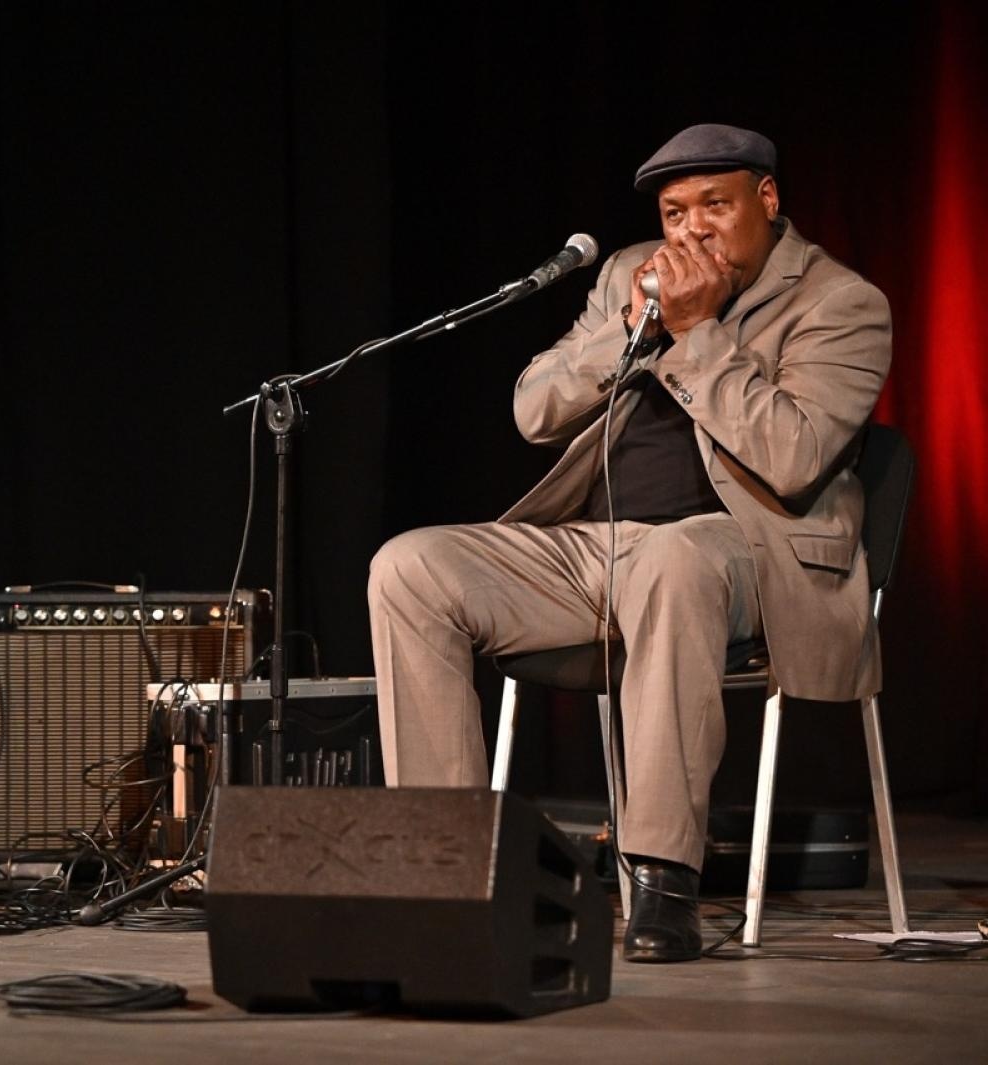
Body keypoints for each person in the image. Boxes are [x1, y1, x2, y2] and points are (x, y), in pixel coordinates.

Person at [367, 125, 891, 962]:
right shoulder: (628, 273)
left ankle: (661, 880)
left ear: (767, 199)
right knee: (411, 565)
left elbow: (794, 459)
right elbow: (533, 409)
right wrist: (633, 325)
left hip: (749, 555)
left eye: (715, 205)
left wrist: (698, 331)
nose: (691, 231)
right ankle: (446, 872)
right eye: (675, 212)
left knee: (673, 559)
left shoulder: (841, 304)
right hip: (597, 548)